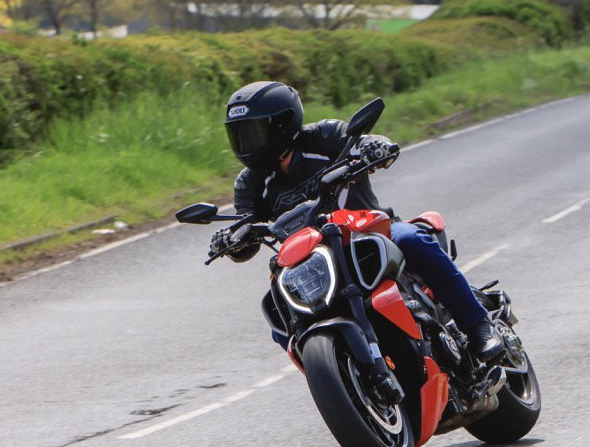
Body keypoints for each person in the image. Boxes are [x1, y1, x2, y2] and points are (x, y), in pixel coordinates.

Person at [209, 80, 504, 368]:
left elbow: (361, 142)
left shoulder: (324, 137)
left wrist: (376, 147)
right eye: (239, 135)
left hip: (369, 232)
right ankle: (336, 370)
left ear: (282, 124)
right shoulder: (249, 183)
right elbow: (245, 229)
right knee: (278, 303)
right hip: (312, 260)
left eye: (253, 133)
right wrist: (232, 239)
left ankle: (479, 326)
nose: (246, 144)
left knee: (412, 238)